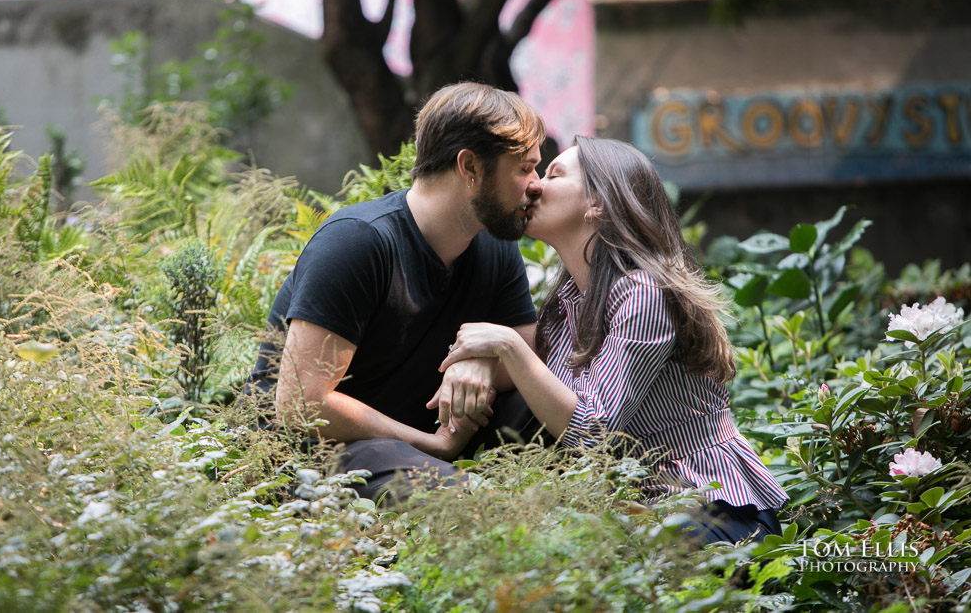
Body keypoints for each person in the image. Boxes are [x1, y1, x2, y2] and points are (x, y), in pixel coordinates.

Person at [438, 136, 789, 545]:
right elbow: (527, 385)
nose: (533, 185)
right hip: (638, 513)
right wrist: (473, 360)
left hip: (714, 513)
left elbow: (593, 433)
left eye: (554, 174)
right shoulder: (572, 299)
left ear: (597, 204)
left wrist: (508, 345)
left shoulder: (644, 292)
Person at [244, 82, 547, 500]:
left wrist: (478, 364)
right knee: (456, 496)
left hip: (419, 436)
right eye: (523, 168)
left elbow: (524, 354)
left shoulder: (494, 243)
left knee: (544, 410)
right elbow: (303, 404)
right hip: (321, 450)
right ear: (470, 167)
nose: (537, 184)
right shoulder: (357, 242)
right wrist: (431, 447)